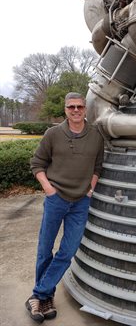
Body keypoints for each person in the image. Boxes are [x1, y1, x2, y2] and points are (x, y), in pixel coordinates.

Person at [25, 92, 104, 323]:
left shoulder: (96, 136)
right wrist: (49, 189)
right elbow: (37, 163)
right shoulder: (53, 134)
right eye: (71, 107)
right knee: (45, 249)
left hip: (81, 202)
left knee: (67, 252)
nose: (76, 110)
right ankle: (45, 297)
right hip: (56, 200)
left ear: (85, 109)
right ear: (65, 109)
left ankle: (38, 295)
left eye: (80, 106)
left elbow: (98, 166)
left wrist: (90, 189)